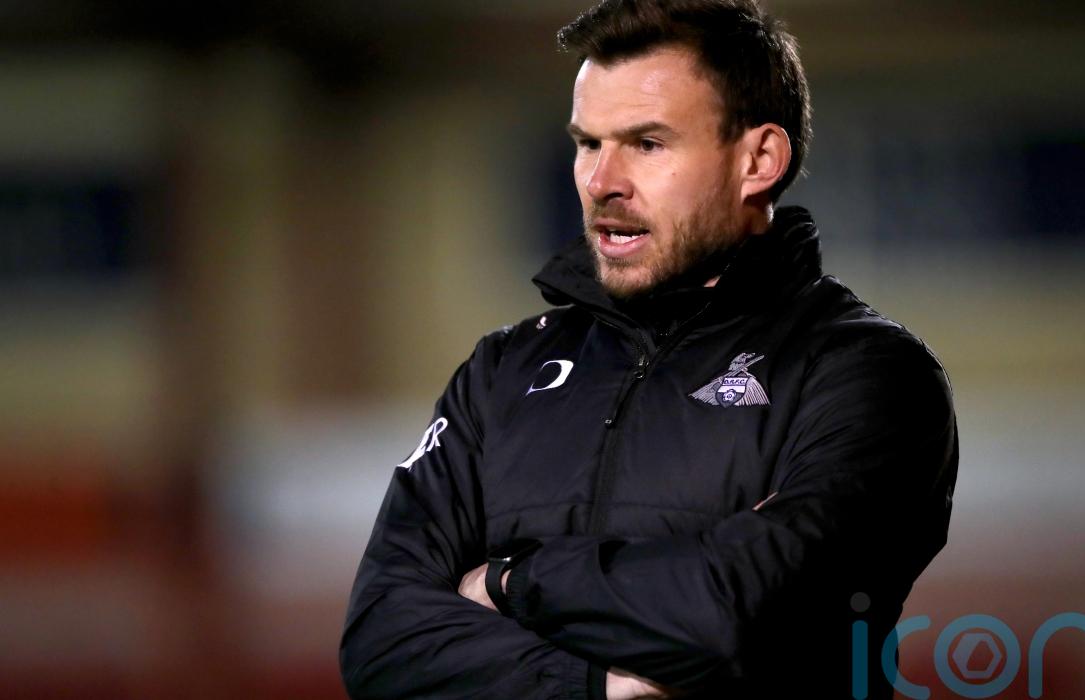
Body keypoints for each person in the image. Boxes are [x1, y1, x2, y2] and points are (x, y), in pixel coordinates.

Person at [340, 0, 958, 698]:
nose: (601, 182)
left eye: (647, 143)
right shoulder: (501, 372)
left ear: (758, 160)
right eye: (588, 143)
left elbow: (745, 615)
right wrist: (595, 687)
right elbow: (381, 641)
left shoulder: (867, 374)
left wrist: (513, 580)